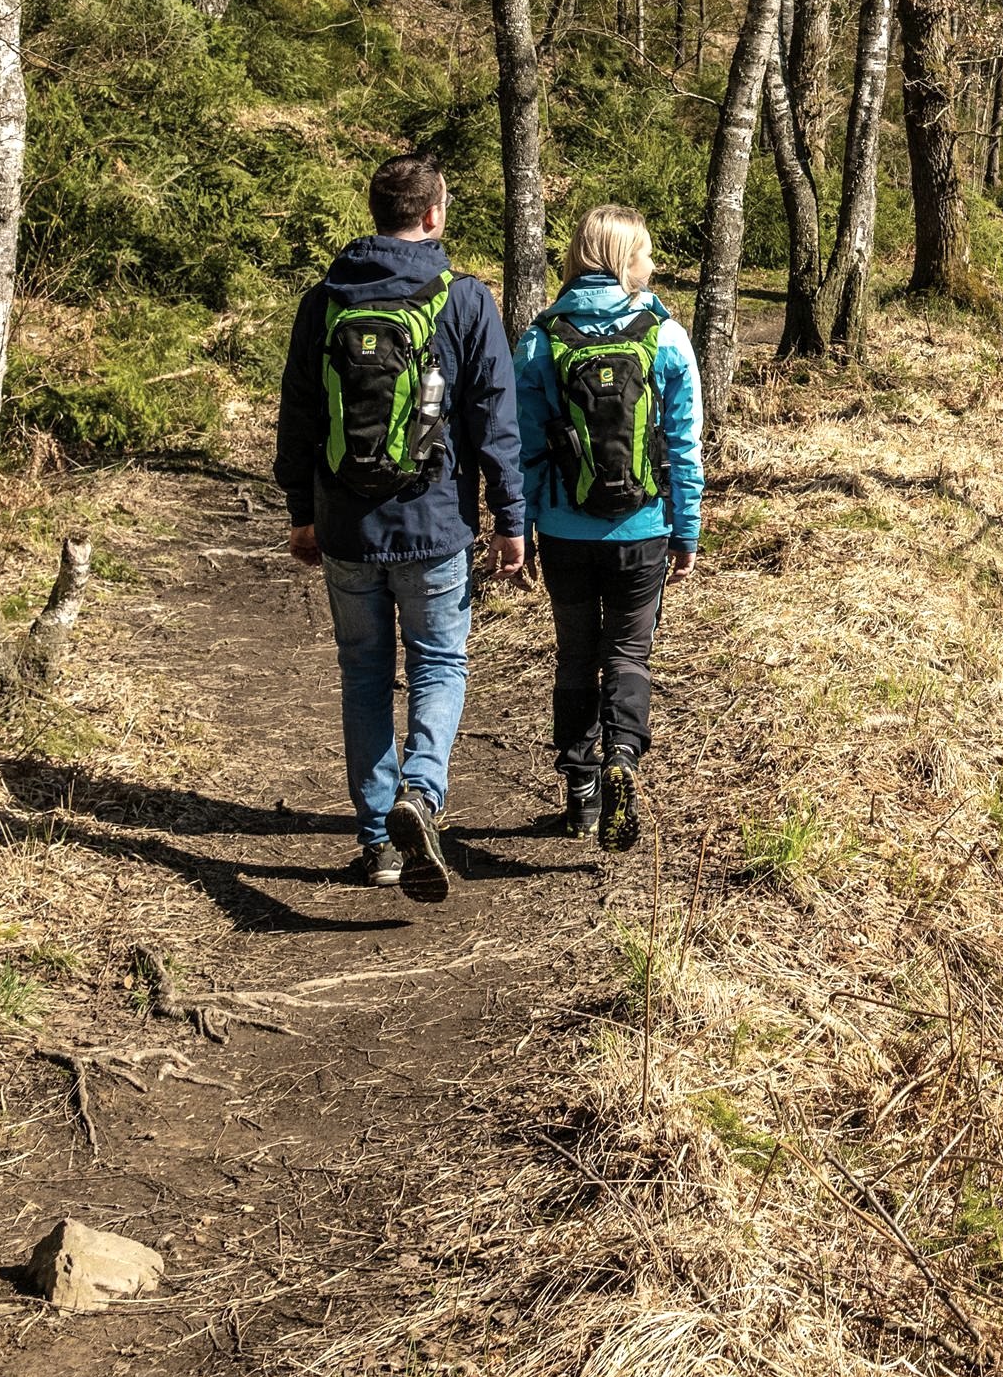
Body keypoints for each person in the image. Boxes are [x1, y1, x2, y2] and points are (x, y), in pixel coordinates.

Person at [275, 154, 524, 901]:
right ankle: (422, 791)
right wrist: (510, 517)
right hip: (436, 523)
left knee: (363, 674)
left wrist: (301, 511)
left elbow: (299, 412)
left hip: (347, 525)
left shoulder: (324, 300)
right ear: (434, 214)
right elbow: (494, 419)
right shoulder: (464, 299)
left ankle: (380, 841)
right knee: (439, 664)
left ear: (376, 212)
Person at [514, 202, 702, 851]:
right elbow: (684, 446)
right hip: (642, 529)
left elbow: (525, 449)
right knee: (627, 653)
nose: (651, 262)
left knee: (575, 655)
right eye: (645, 251)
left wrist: (520, 526)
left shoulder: (541, 337)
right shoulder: (665, 335)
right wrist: (686, 530)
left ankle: (581, 794)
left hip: (564, 532)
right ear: (623, 258)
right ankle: (623, 755)